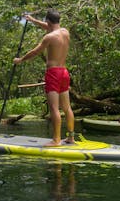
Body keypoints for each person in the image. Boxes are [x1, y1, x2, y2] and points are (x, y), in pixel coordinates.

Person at [13, 9, 75, 146]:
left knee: (54, 108)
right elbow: (49, 27)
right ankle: (71, 137)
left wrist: (21, 60)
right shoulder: (65, 32)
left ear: (48, 21)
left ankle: (56, 140)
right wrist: (33, 20)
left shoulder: (49, 38)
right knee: (67, 107)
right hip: (64, 72)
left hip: (53, 74)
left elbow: (35, 51)